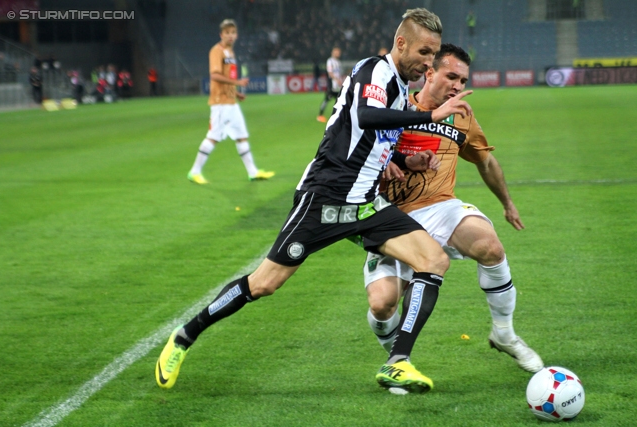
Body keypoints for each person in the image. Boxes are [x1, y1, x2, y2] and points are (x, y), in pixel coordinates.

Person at [156, 8, 473, 394]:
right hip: (325, 199)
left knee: (434, 260)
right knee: (264, 284)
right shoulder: (375, 71)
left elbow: (372, 139)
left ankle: (398, 362)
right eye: (424, 53)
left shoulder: (399, 87)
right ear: (401, 43)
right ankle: (184, 336)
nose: (429, 64)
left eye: (433, 56)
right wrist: (429, 116)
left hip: (366, 204)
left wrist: (405, 160)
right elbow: (366, 115)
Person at [363, 44, 543, 373]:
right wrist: (387, 161)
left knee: (490, 246)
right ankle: (396, 357)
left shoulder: (462, 117)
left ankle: (504, 333)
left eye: (463, 80)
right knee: (382, 305)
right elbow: (356, 147)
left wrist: (507, 203)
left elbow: (486, 162)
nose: (458, 86)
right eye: (451, 76)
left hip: (441, 206)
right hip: (392, 217)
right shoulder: (396, 106)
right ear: (429, 73)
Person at [187, 19, 274, 184]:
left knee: (242, 136)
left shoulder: (231, 53)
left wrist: (236, 93)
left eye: (233, 32)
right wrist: (238, 83)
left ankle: (253, 172)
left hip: (231, 102)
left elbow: (228, 77)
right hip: (220, 102)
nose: (230, 36)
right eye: (227, 33)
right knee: (213, 137)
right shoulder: (216, 51)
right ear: (221, 34)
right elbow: (215, 76)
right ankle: (194, 171)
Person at [316, 47, 343, 123]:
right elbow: (330, 73)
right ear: (333, 52)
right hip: (332, 85)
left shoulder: (338, 62)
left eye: (339, 52)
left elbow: (338, 73)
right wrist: (337, 80)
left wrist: (340, 81)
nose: (338, 53)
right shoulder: (330, 61)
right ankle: (320, 115)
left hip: (337, 85)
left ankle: (340, 116)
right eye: (336, 52)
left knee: (339, 100)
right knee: (327, 99)